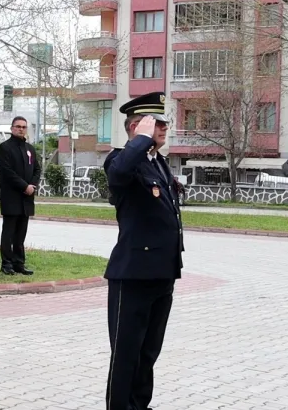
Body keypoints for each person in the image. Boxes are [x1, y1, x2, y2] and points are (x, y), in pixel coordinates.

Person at [102, 92, 183, 410]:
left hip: (162, 273)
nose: (164, 128)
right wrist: (140, 140)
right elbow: (119, 173)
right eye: (157, 123)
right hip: (133, 275)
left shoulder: (158, 163)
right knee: (126, 354)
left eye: (164, 122)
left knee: (148, 352)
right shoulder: (121, 160)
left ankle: (140, 405)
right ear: (137, 127)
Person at [0, 116, 40, 276]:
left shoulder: (30, 148)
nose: (21, 129)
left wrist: (33, 185)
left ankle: (19, 263)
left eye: (24, 127)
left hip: (27, 199)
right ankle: (6, 264)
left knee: (21, 233)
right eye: (18, 126)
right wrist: (24, 186)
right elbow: (7, 172)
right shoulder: (4, 148)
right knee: (8, 233)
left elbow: (37, 169)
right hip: (11, 197)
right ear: (12, 128)